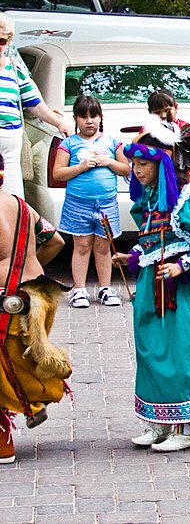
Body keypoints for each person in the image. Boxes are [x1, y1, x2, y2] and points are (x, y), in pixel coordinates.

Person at [113, 117, 190, 452]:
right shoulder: (148, 200)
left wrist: (180, 266)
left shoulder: (184, 200)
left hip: (179, 289)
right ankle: (157, 422)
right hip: (150, 284)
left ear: (163, 163)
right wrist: (131, 256)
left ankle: (186, 428)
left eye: (143, 164)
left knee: (180, 350)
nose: (137, 170)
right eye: (134, 164)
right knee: (151, 349)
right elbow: (151, 241)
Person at [1, 154, 73, 464]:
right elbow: (55, 240)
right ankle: (32, 404)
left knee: (4, 371)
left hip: (7, 305)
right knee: (17, 365)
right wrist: (28, 270)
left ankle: (3, 443)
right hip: (35, 299)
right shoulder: (22, 207)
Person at [52, 95, 130, 308]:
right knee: (82, 245)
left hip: (106, 203)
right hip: (78, 203)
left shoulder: (111, 142)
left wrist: (108, 161)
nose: (89, 121)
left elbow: (125, 169)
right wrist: (81, 167)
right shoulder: (69, 143)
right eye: (83, 117)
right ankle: (79, 290)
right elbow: (58, 173)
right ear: (75, 119)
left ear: (100, 118)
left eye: (93, 116)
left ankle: (105, 288)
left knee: (103, 246)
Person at [0, 13, 73, 197]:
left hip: (10, 146)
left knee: (12, 197)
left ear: (8, 42)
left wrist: (59, 123)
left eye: (2, 41)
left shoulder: (14, 69)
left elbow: (34, 103)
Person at [146, 89, 190, 184]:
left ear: (176, 108)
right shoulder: (147, 132)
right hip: (156, 184)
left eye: (167, 110)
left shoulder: (186, 129)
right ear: (150, 113)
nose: (163, 116)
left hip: (182, 183)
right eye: (157, 112)